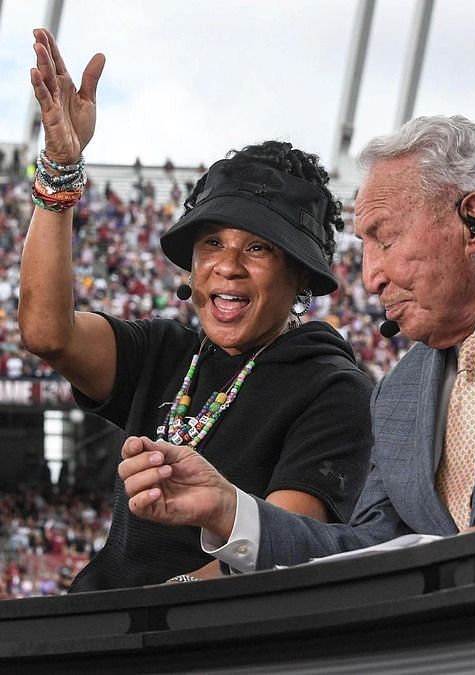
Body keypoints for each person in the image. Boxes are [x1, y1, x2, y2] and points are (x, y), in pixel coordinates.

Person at [18, 28, 374, 590]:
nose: (226, 266)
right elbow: (47, 334)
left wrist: (147, 619)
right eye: (212, 243)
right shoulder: (168, 352)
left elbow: (282, 553)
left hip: (198, 639)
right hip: (110, 624)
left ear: (301, 274)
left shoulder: (334, 390)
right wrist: (61, 168)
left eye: (257, 248)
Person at [117, 114, 475, 571]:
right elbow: (369, 550)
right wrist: (231, 512)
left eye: (385, 239)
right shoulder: (398, 392)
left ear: (474, 222)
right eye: (363, 246)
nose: (370, 278)